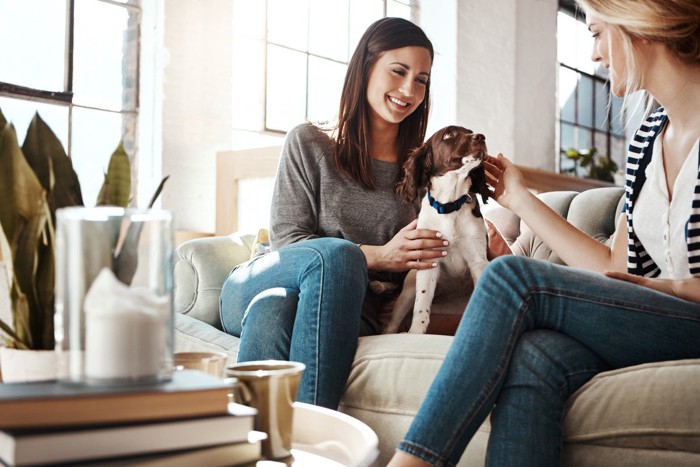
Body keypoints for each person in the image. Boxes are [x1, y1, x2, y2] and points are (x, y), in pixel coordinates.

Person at [388, 0, 700, 465]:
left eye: (595, 33)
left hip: (685, 316)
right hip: (654, 318)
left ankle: (412, 462)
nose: (594, 54)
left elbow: (654, 285)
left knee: (511, 275)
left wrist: (672, 287)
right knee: (535, 355)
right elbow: (616, 267)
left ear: (641, 24)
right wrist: (518, 198)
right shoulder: (648, 140)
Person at [219, 17, 447, 410]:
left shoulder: (423, 168)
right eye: (399, 71)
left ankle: (262, 444)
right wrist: (377, 255)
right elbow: (289, 243)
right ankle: (315, 439)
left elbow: (425, 263)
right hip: (262, 278)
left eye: (422, 80)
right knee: (335, 258)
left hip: (347, 308)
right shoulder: (309, 141)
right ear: (366, 67)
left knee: (273, 311)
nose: (409, 89)